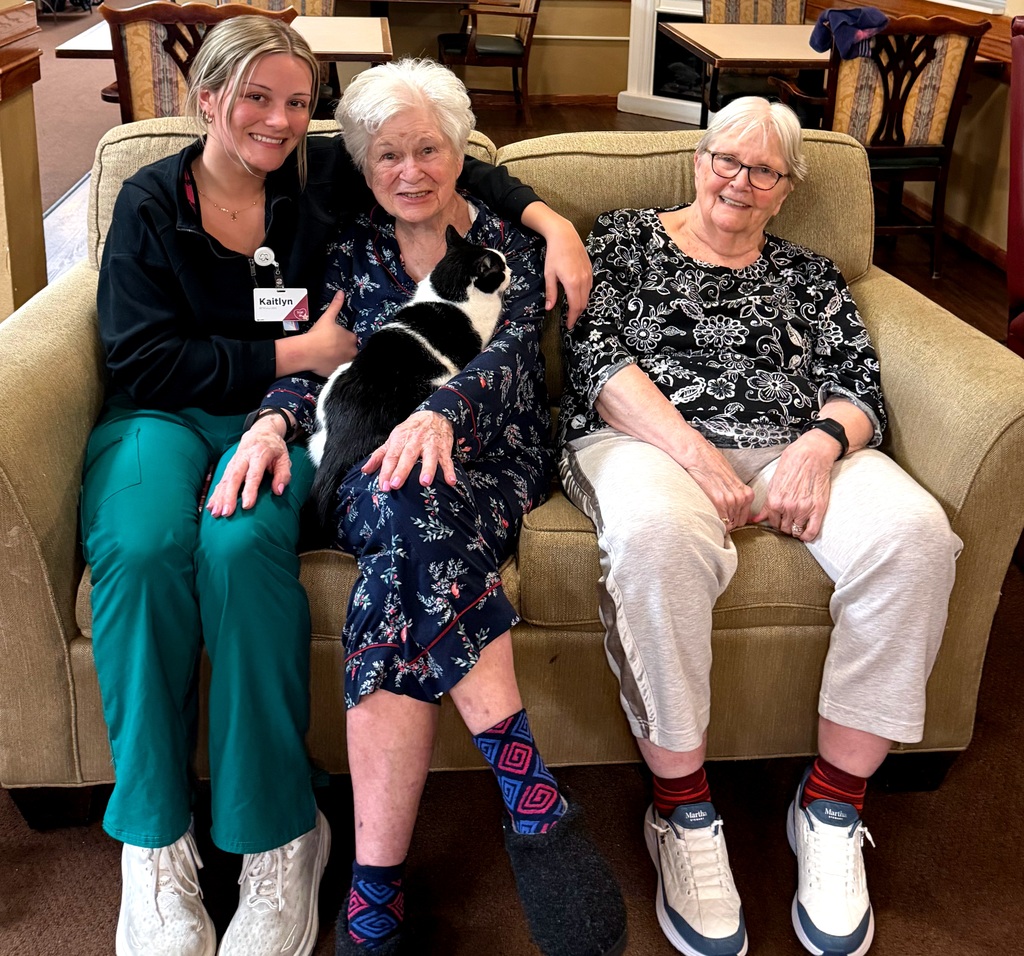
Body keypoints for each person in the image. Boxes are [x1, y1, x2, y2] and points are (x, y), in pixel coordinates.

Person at [86, 18, 594, 956]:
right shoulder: (221, 211)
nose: (279, 120)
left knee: (318, 529)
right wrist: (278, 407)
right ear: (208, 100)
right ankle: (161, 841)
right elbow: (280, 354)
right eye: (256, 99)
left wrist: (551, 220)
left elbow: (462, 193)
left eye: (295, 102)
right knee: (179, 544)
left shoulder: (366, 194)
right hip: (257, 430)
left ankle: (329, 857)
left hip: (443, 446)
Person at [212, 58, 628, 956]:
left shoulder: (510, 245)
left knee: (404, 521)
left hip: (492, 451)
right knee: (402, 496)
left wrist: (440, 413)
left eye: (429, 150)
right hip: (373, 462)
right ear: (363, 166)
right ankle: (529, 794)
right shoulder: (346, 246)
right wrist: (270, 425)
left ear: (459, 152)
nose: (411, 171)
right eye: (388, 155)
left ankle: (376, 885)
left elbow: (512, 358)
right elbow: (316, 359)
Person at [556, 97, 963, 956]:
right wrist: (699, 457)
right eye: (726, 160)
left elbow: (858, 385)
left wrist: (819, 446)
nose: (740, 181)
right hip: (648, 440)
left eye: (765, 170)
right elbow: (598, 365)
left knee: (915, 537)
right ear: (698, 161)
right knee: (658, 539)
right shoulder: (624, 239)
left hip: (792, 446)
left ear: (787, 189)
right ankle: (681, 810)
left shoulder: (811, 274)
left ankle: (832, 803)